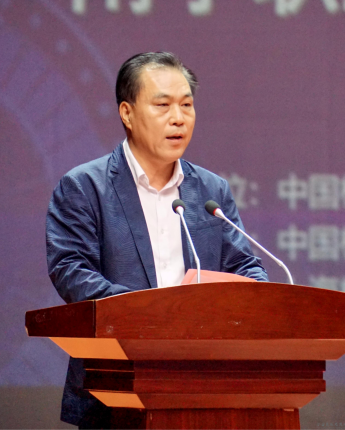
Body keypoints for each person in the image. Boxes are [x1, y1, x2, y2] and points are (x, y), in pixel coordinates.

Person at [46, 52, 268, 428]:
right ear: (127, 113)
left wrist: (262, 299)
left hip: (206, 385)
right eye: (162, 105)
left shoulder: (211, 190)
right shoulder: (84, 187)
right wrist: (149, 316)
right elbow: (71, 270)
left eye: (186, 105)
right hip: (115, 387)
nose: (178, 118)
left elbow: (244, 266)